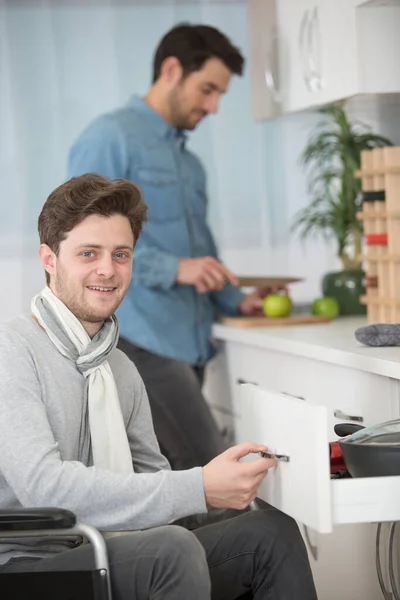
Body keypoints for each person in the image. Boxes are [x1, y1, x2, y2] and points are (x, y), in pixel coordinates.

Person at [0, 174, 317, 600]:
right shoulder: (12, 351)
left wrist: (226, 485)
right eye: (88, 253)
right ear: (49, 259)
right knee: (171, 549)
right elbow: (47, 489)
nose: (107, 270)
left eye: (121, 254)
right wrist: (200, 486)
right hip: (29, 565)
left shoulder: (120, 368)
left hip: (118, 549)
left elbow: (157, 484)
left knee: (269, 532)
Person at [67, 23, 277, 471]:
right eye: (207, 89)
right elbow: (83, 244)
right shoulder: (110, 138)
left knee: (179, 485)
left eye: (219, 94)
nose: (214, 106)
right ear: (171, 69)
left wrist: (237, 302)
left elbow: (202, 249)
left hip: (190, 344)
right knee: (213, 473)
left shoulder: (190, 164)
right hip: (140, 341)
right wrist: (172, 268)